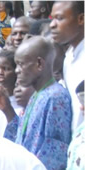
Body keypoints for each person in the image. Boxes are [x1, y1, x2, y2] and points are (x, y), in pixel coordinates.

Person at [0, 36, 72, 170]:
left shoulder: (55, 97)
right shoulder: (36, 95)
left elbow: (54, 154)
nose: (17, 71)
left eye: (21, 64)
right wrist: (7, 109)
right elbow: (22, 141)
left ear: (39, 64)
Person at [50, 1, 84, 132]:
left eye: (59, 18)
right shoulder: (69, 57)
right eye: (52, 19)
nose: (52, 25)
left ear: (81, 19)